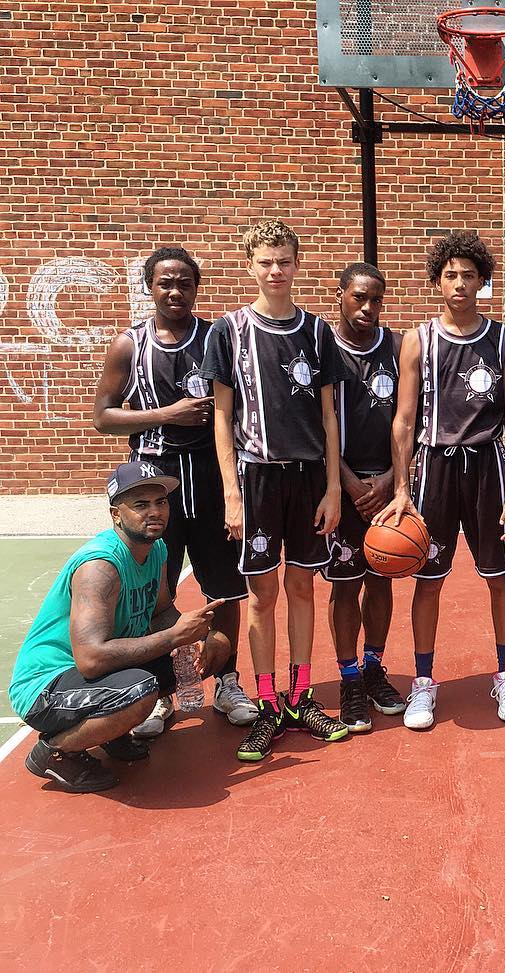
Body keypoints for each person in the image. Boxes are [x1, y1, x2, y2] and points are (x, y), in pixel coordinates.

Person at [93, 246, 257, 739]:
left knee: (224, 587)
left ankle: (228, 684)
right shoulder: (130, 344)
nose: (175, 291)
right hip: (154, 477)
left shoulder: (217, 337)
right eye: (165, 282)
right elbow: (103, 415)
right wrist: (167, 414)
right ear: (150, 286)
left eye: (184, 282)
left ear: (196, 287)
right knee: (153, 594)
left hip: (210, 474)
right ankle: (161, 694)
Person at [200, 219, 348, 761]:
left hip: (309, 478)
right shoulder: (228, 331)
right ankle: (267, 705)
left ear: (296, 263)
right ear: (249, 266)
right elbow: (221, 417)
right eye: (265, 261)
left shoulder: (315, 331)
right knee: (263, 596)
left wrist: (333, 488)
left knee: (304, 589)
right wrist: (231, 495)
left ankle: (302, 694)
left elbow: (331, 416)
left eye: (284, 260)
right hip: (256, 475)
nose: (276, 270)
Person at [374, 231, 505, 730]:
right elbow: (403, 419)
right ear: (436, 282)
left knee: (500, 576)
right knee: (428, 579)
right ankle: (423, 683)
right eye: (450, 275)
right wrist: (401, 487)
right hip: (435, 467)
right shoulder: (419, 338)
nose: (460, 283)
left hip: (488, 466)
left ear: (483, 280)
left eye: (468, 275)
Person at [9, 462, 227, 792]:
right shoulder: (101, 567)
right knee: (140, 692)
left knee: (219, 647)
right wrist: (173, 637)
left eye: (161, 502)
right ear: (116, 514)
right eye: (141, 505)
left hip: (98, 672)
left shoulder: (157, 549)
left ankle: (112, 732)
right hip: (46, 687)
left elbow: (162, 612)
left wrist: (200, 635)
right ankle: (55, 752)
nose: (155, 512)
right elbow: (91, 659)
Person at [324, 262, 406, 732]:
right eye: (359, 298)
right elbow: (316, 428)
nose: (368, 308)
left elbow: (414, 419)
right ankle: (349, 677)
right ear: (340, 295)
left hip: (386, 487)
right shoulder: (322, 348)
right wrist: (350, 483)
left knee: (382, 579)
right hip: (341, 487)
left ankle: (374, 668)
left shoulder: (396, 347)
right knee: (344, 585)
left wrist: (394, 478)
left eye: (376, 300)